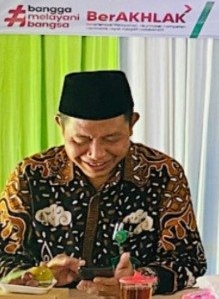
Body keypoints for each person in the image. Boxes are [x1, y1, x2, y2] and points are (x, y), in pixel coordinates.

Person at [0, 70, 206, 295]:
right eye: (81, 139)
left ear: (132, 124)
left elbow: (188, 260)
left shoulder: (162, 174)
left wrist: (140, 281)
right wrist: (40, 275)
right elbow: (4, 256)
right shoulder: (31, 175)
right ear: (61, 126)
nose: (96, 154)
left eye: (111, 138)